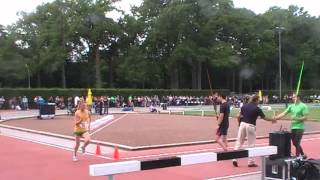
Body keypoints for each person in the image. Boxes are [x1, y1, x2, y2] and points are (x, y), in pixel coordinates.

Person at [232, 95, 276, 167]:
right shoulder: (257, 108)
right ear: (256, 100)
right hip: (250, 125)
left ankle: (234, 158)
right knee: (251, 144)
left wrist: (239, 124)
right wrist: (272, 120)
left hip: (242, 124)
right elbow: (264, 117)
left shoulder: (244, 106)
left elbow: (239, 116)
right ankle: (250, 162)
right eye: (259, 100)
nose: (259, 101)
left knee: (239, 141)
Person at [274, 94, 309, 158]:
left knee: (297, 142)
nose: (293, 98)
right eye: (292, 97)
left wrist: (296, 118)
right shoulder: (291, 106)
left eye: (294, 97)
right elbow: (284, 113)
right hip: (293, 127)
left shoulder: (303, 106)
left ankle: (297, 156)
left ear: (298, 97)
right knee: (294, 143)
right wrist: (276, 117)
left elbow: (306, 117)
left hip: (300, 127)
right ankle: (303, 154)